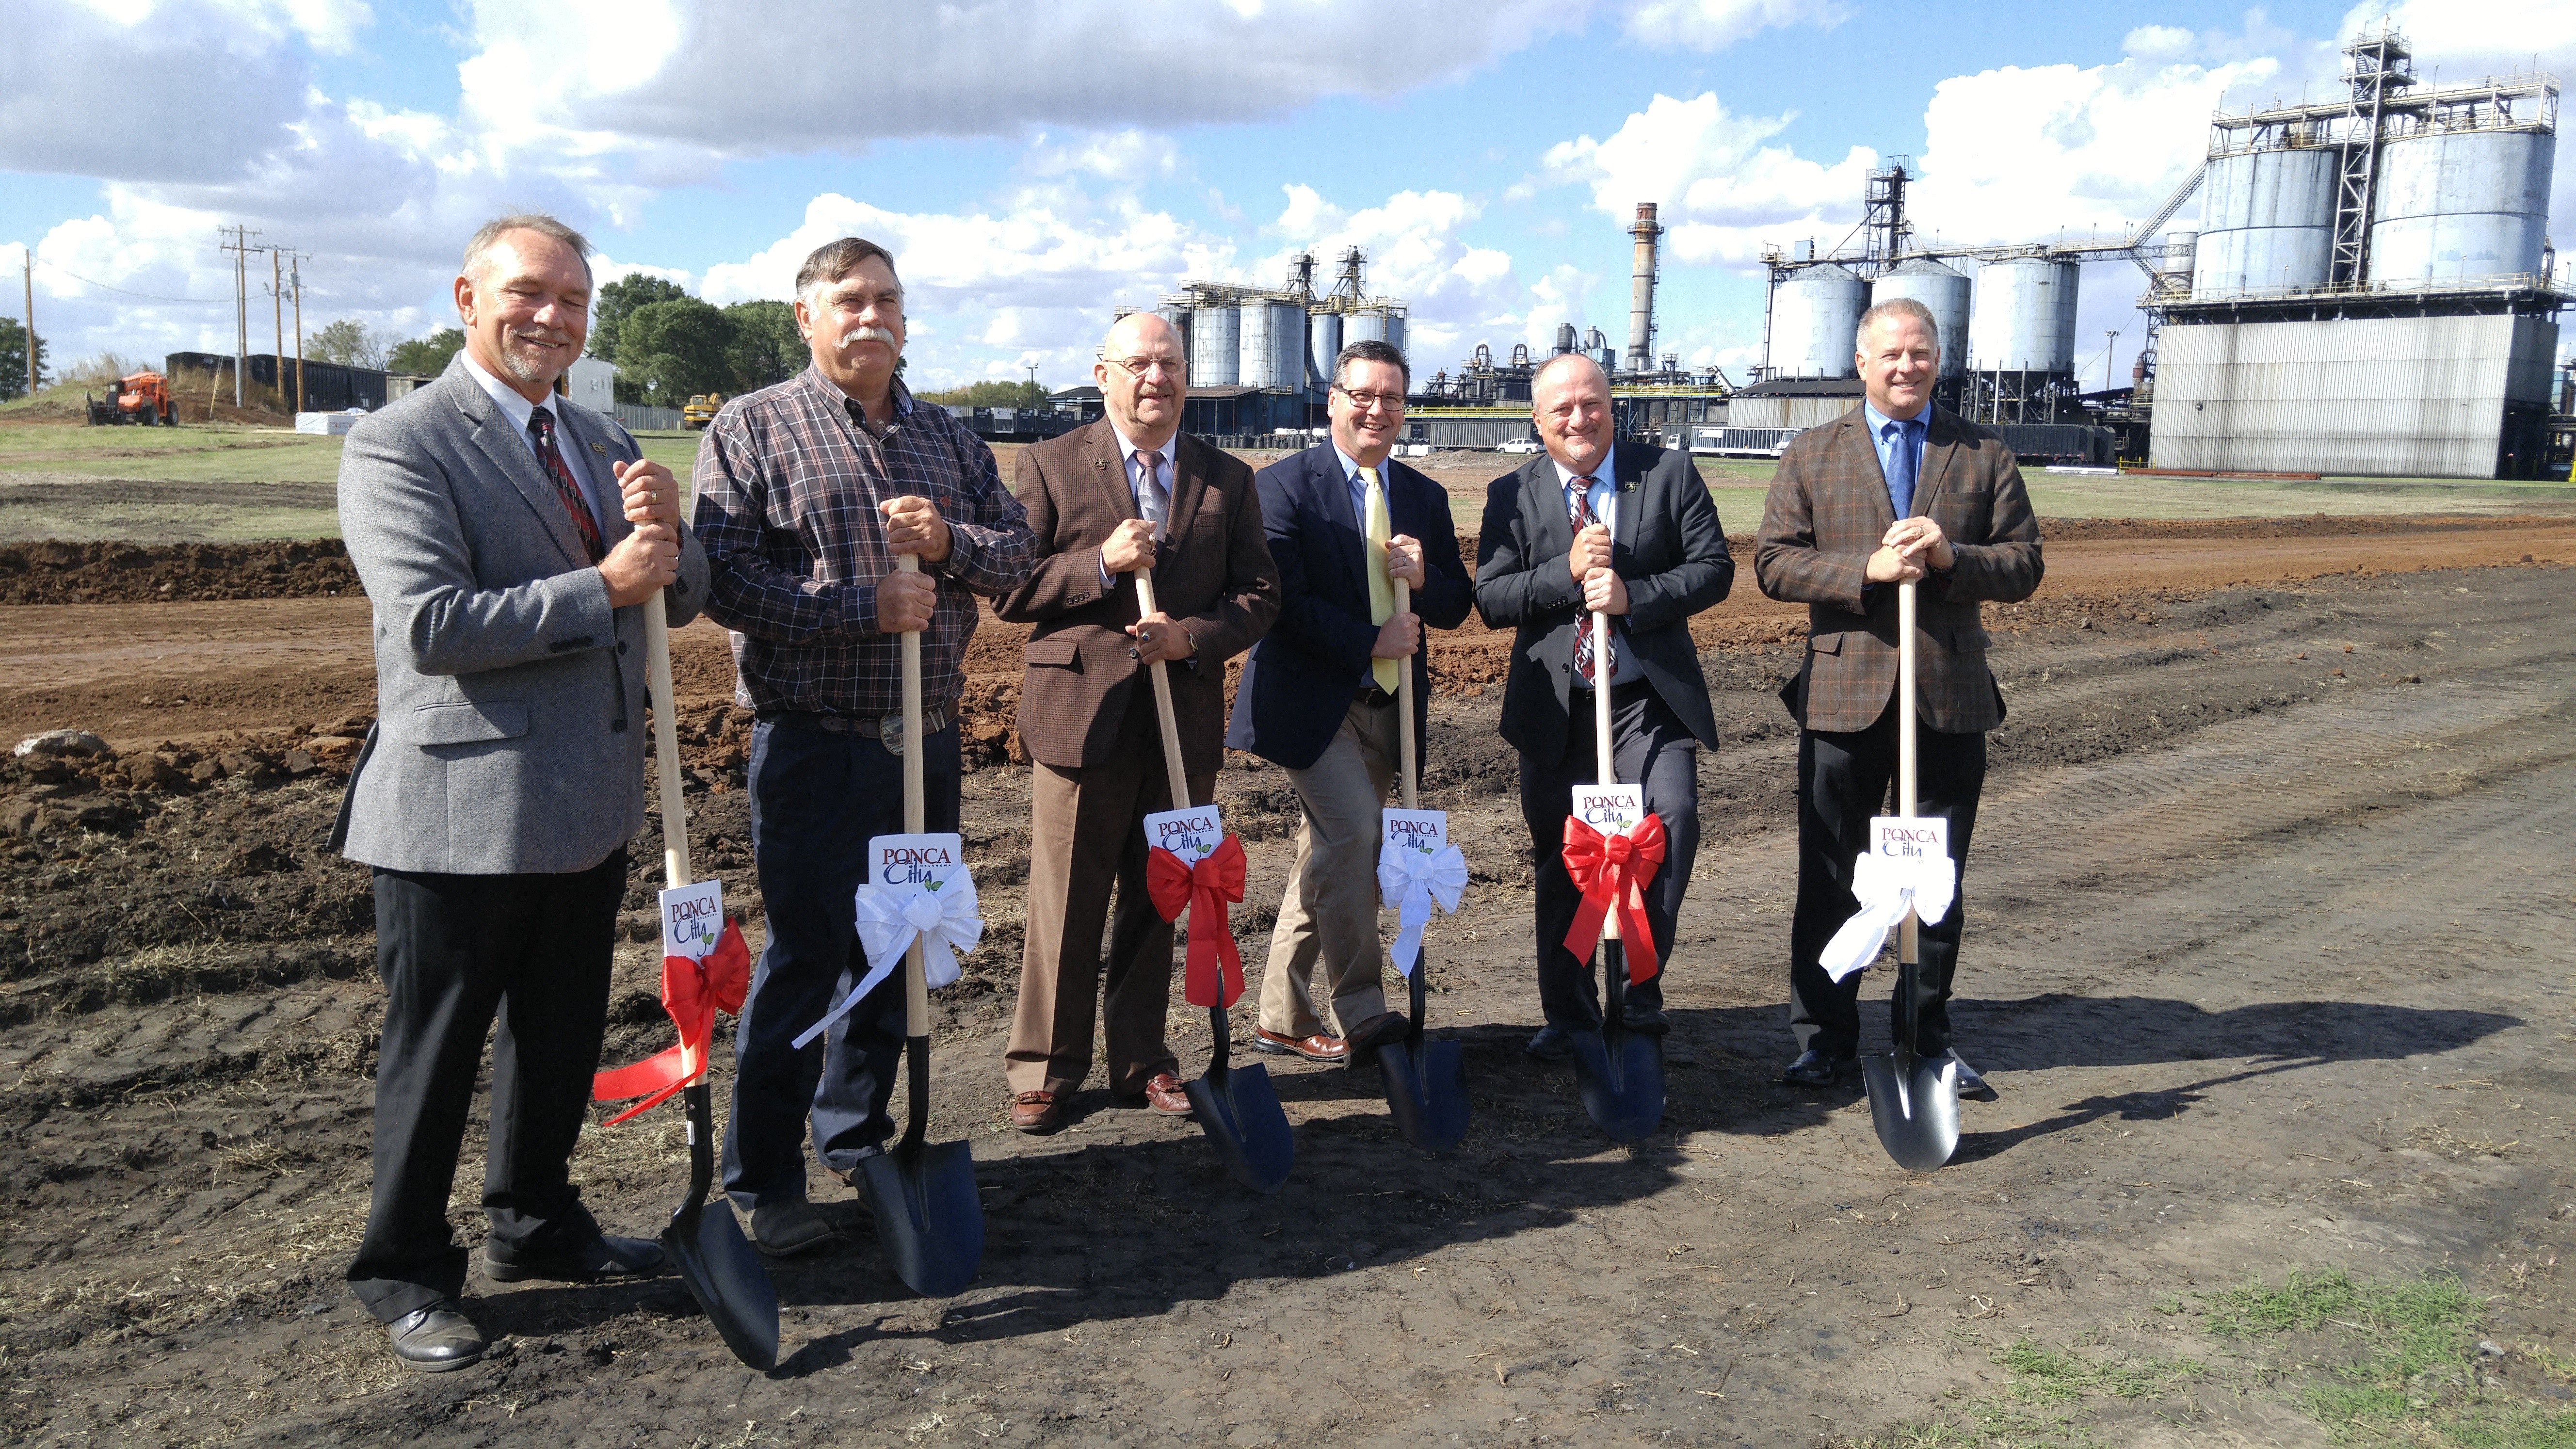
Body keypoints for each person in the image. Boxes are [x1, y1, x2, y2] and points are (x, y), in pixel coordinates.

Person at [333, 212, 709, 1371]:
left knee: (557, 1041)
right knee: (437, 1055)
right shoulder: (399, 444)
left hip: (588, 801)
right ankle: (402, 1268)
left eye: (573, 300)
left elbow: (669, 605)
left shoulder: (599, 438)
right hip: (458, 811)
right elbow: (436, 627)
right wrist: (603, 580)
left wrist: (669, 540)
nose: (553, 316)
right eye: (529, 293)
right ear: (467, 296)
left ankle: (536, 1223)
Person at [691, 237, 1037, 1256]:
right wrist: (860, 605)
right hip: (814, 745)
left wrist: (947, 546)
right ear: (807, 317)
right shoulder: (752, 427)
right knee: (804, 959)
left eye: (886, 297)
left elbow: (1015, 553)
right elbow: (727, 581)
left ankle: (856, 1135)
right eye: (848, 299)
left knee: (898, 954)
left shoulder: (946, 438)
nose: (870, 314)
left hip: (925, 746)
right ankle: (766, 1175)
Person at [995, 311, 1281, 1133]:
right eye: (1139, 364)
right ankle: (1046, 1065)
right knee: (1066, 902)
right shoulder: (1050, 465)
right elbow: (1009, 587)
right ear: (1103, 372)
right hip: (1079, 719)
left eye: (1171, 364)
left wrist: (1190, 636)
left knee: (1160, 900)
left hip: (1179, 718)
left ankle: (1142, 1060)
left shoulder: (1228, 478)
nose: (1156, 378)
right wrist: (1101, 566)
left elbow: (1260, 597)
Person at [1754, 297, 2043, 1092]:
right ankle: (1824, 1036)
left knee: (1936, 879)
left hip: (1948, 699)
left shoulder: (1982, 452)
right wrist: (1863, 573)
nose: (1906, 367)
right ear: (1862, 363)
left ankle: (1927, 1038)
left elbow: (2024, 564)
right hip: (1844, 696)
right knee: (1830, 872)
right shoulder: (1814, 452)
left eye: (1919, 353)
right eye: (1891, 355)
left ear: (1937, 360)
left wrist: (1952, 557)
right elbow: (1775, 564)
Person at [1473, 354, 1733, 1061]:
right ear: (1538, 420)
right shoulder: (1511, 493)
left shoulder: (1668, 474)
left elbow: (1714, 568)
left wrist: (1633, 597)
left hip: (1647, 698)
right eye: (1561, 409)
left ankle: (1638, 987)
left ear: (1611, 407)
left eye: (1591, 404)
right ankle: (1570, 1012)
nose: (1578, 419)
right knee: (1566, 854)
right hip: (1558, 707)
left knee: (1669, 822)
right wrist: (1566, 575)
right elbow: (1492, 598)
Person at [1225, 338, 1471, 1063]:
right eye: (1362, 394)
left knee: (1330, 851)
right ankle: (1362, 1008)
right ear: (1332, 400)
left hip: (1392, 711)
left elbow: (1458, 605)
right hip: (1310, 707)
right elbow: (1282, 605)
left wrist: (1427, 580)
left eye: (1391, 398)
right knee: (1358, 837)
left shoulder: (1422, 495)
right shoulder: (1282, 486)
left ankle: (1280, 1015)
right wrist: (1371, 638)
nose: (1377, 409)